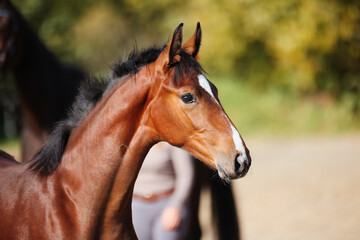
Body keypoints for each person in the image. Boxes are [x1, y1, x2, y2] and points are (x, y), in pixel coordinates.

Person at [132, 142, 195, 240]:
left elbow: (186, 175)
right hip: (137, 205)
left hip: (166, 205)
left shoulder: (172, 141)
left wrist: (176, 206)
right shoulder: (133, 140)